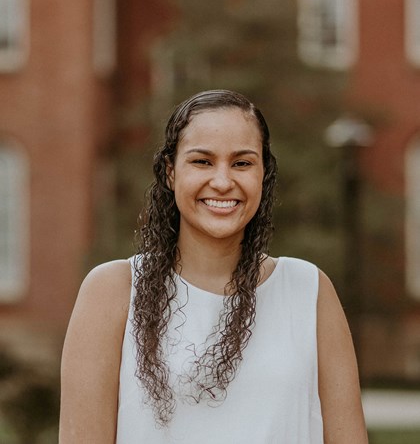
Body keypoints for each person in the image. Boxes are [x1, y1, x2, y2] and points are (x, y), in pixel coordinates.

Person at [59, 90, 368, 443]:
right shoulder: (112, 290)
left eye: (241, 163)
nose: (222, 181)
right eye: (202, 161)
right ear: (170, 172)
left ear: (263, 175)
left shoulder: (308, 289)